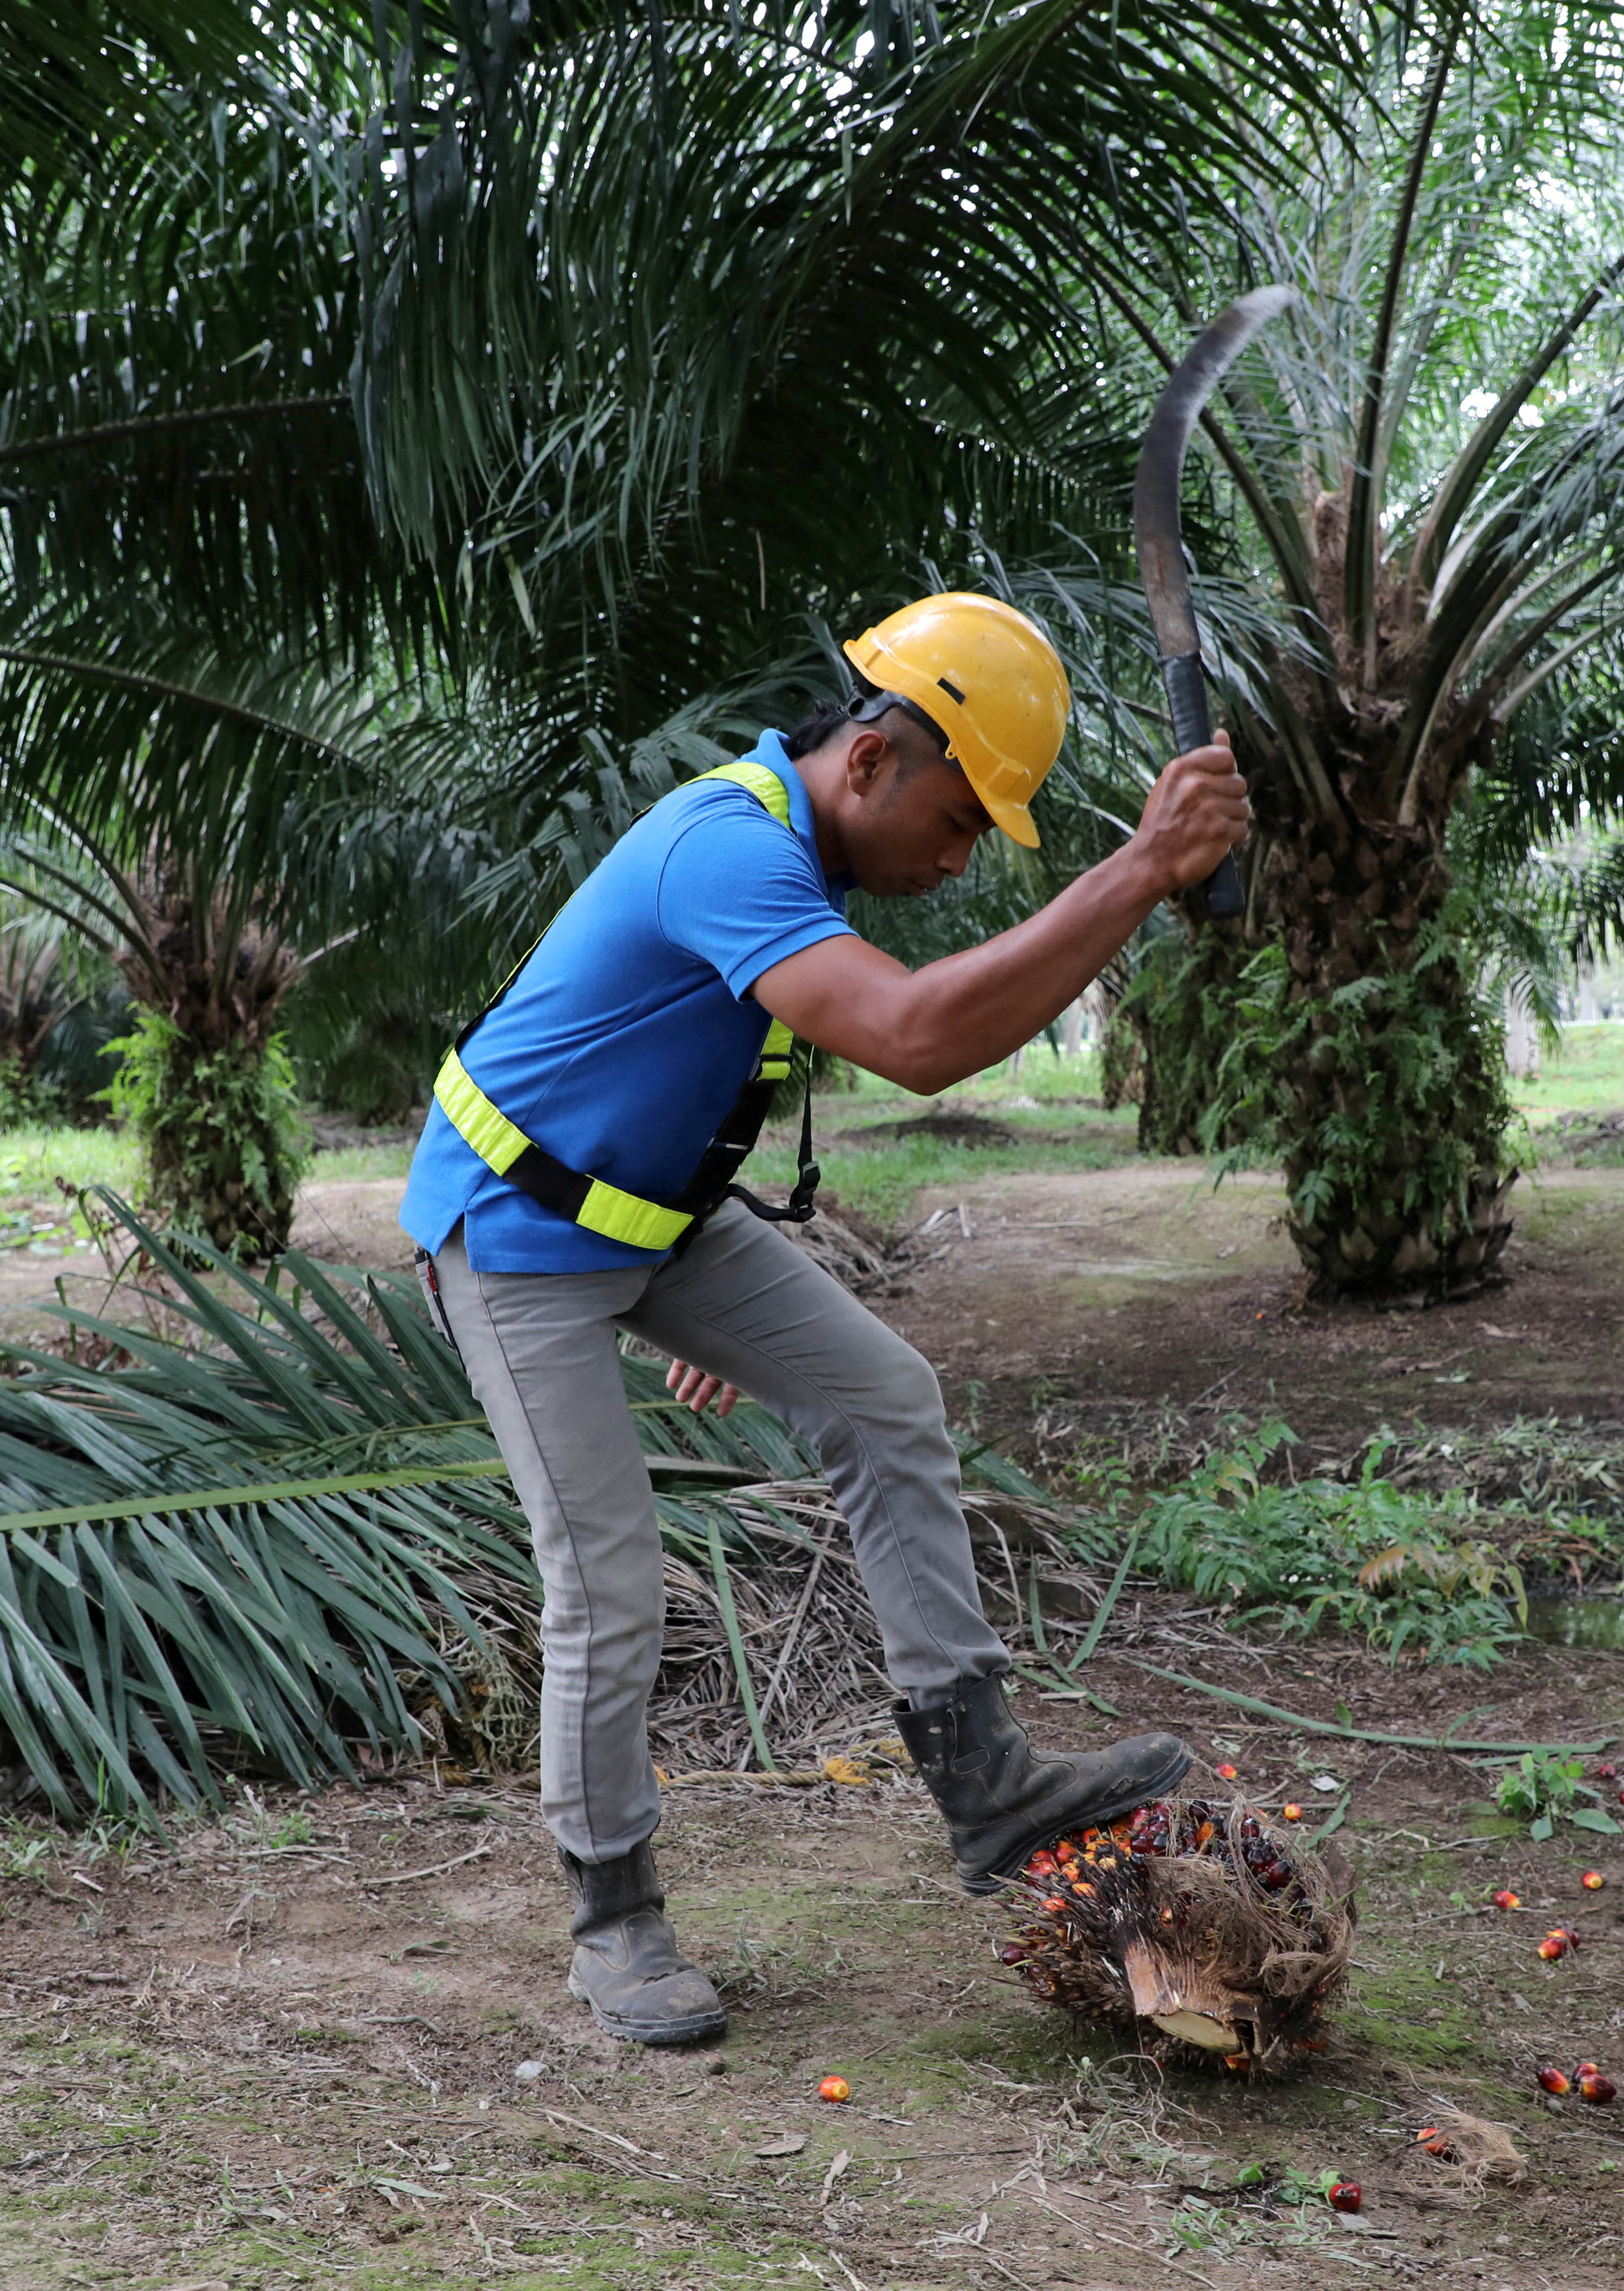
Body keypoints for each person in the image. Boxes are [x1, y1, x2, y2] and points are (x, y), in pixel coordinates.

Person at [401, 592, 1251, 2044]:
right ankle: (615, 1921)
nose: (964, 851)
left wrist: (692, 1264)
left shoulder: (796, 854)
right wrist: (1145, 869)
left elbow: (694, 1063)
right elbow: (917, 1038)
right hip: (523, 1234)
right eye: (965, 815)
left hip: (656, 1216)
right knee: (608, 1583)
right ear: (870, 760)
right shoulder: (724, 847)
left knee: (882, 1394)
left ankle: (985, 1783)